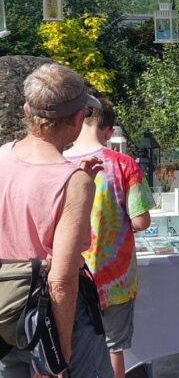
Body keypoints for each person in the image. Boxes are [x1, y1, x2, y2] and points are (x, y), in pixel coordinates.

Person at [0, 63, 113, 377]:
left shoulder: (1, 158)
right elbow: (62, 282)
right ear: (78, 118)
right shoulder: (72, 181)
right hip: (56, 318)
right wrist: (57, 358)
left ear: (26, 110)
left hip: (7, 308)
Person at [64, 99, 154, 378]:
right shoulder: (124, 164)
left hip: (71, 274)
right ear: (109, 130)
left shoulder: (60, 162)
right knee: (114, 349)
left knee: (72, 347)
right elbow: (140, 220)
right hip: (116, 280)